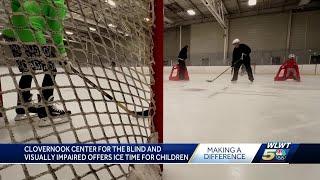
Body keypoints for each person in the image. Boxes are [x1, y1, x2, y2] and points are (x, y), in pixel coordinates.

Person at [2, 0, 72, 126]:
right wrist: (63, 55)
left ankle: (22, 108)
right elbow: (56, 32)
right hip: (30, 31)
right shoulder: (59, 3)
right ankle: (46, 111)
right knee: (51, 70)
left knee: (28, 70)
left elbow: (15, 3)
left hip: (11, 32)